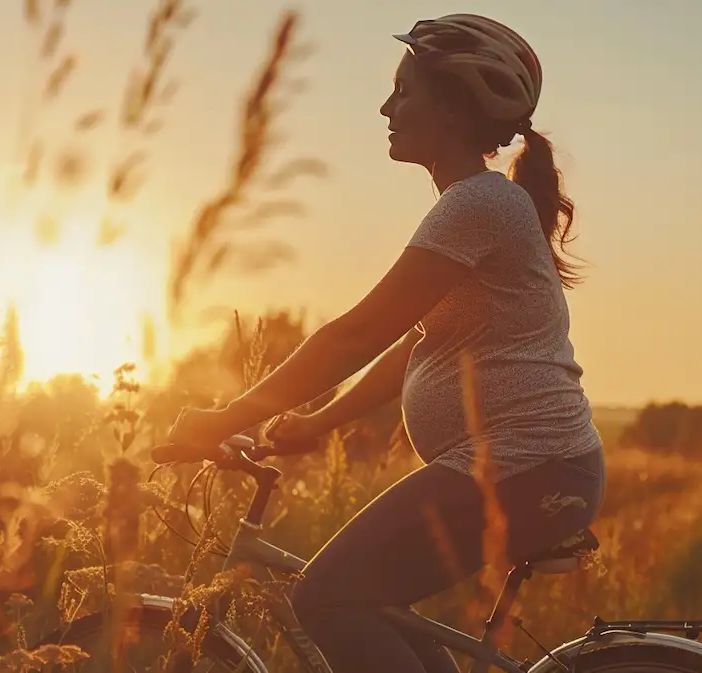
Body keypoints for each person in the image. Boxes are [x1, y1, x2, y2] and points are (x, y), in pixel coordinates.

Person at [166, 13, 605, 673]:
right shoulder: (478, 204)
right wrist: (317, 421)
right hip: (528, 467)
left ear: (454, 107)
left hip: (527, 466)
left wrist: (226, 418)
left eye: (405, 91)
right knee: (369, 603)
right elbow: (417, 344)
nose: (386, 107)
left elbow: (358, 333)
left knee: (327, 598)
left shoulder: (477, 204)